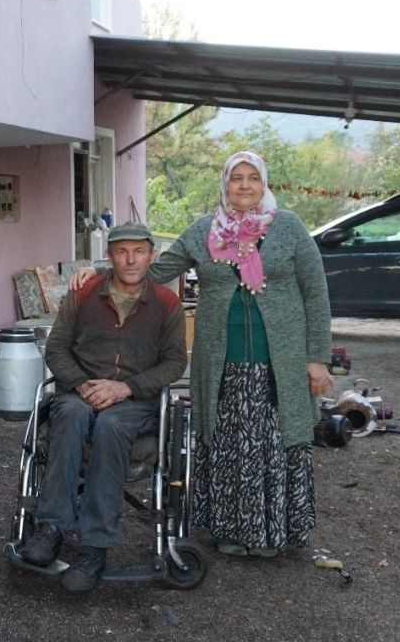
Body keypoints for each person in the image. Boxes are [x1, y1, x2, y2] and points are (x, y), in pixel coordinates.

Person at [70, 151, 334, 557]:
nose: (244, 185)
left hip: (279, 362)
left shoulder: (290, 228)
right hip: (221, 361)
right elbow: (150, 271)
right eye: (236, 178)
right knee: (226, 443)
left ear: (264, 184)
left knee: (276, 443)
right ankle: (230, 532)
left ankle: (271, 534)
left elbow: (316, 293)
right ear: (225, 184)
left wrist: (317, 358)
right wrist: (99, 273)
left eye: (252, 178)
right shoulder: (203, 231)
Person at [20, 221, 187, 593]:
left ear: (151, 256)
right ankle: (51, 529)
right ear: (109, 256)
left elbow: (175, 363)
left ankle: (94, 548)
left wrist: (125, 387)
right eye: (122, 251)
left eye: (139, 251)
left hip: (134, 401)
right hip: (78, 392)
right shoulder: (83, 295)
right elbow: (56, 348)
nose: (130, 259)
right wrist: (80, 383)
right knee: (71, 415)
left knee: (111, 426)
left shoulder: (167, 304)